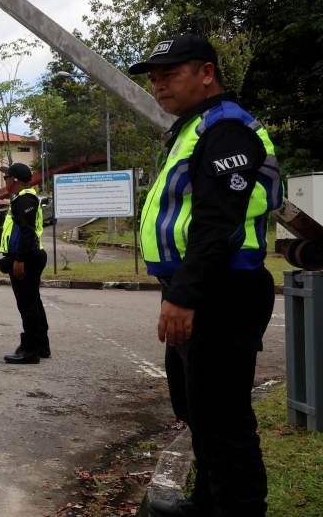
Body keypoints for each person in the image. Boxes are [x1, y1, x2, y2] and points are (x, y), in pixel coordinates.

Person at [132, 35, 283, 517]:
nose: (158, 85)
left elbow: (218, 222)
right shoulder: (194, 128)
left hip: (222, 291)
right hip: (196, 289)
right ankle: (207, 502)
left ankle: (237, 508)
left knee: (222, 417)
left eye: (170, 73)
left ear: (206, 73)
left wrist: (186, 294)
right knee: (198, 409)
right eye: (154, 77)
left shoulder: (226, 129)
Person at [0, 163, 50, 364]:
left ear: (14, 180)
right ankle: (41, 346)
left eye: (6, 177)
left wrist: (19, 260)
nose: (5, 180)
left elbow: (27, 233)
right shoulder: (23, 199)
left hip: (27, 257)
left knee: (27, 304)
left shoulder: (25, 200)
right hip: (29, 255)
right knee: (33, 301)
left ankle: (29, 350)